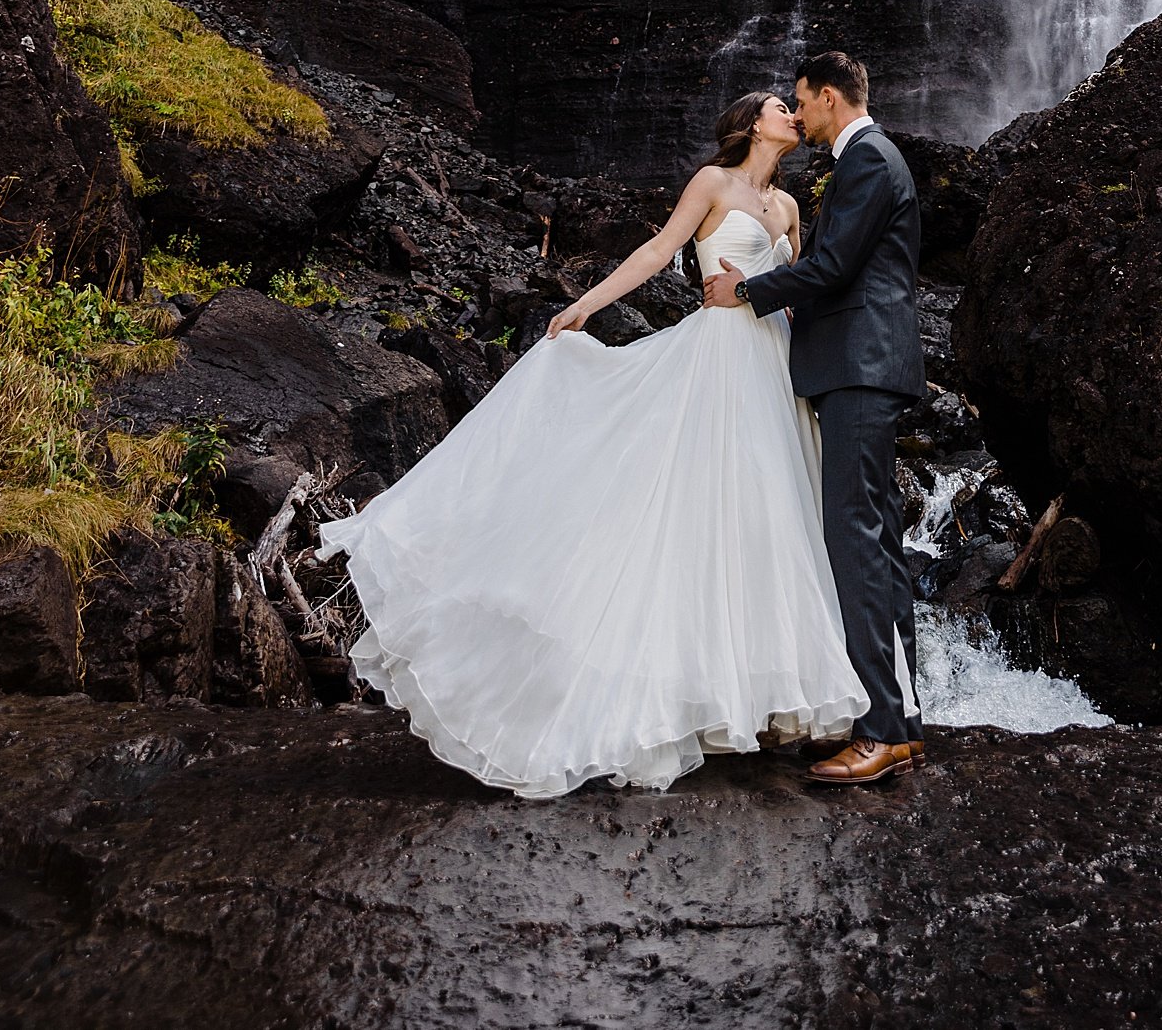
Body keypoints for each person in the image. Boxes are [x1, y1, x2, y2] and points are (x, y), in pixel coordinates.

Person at [314, 91, 865, 796]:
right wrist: (584, 305)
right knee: (697, 511)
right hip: (719, 361)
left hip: (773, 363)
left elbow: (796, 288)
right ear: (751, 122)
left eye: (797, 106)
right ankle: (681, 695)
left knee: (767, 522)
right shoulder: (711, 183)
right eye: (780, 106)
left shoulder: (789, 208)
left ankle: (754, 697)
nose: (794, 113)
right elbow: (661, 250)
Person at [704, 48, 926, 787]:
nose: (797, 115)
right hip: (864, 367)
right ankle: (905, 722)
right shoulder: (871, 159)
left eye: (803, 101)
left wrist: (748, 294)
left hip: (861, 368)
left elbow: (830, 270)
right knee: (881, 542)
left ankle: (881, 730)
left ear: (830, 97)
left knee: (857, 542)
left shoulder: (869, 159)